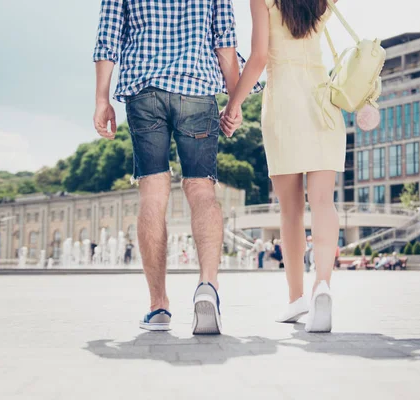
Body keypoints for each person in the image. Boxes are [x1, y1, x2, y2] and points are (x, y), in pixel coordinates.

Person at [92, 0, 260, 334]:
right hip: (197, 89)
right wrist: (234, 101)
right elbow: (225, 45)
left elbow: (107, 38)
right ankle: (208, 288)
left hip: (144, 91)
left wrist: (101, 99)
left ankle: (158, 308)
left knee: (153, 194)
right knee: (201, 188)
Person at [221, 0, 346, 332]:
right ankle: (323, 285)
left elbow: (259, 57)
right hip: (324, 100)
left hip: (284, 103)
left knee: (290, 210)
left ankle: (296, 299)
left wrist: (234, 103)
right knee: (323, 202)